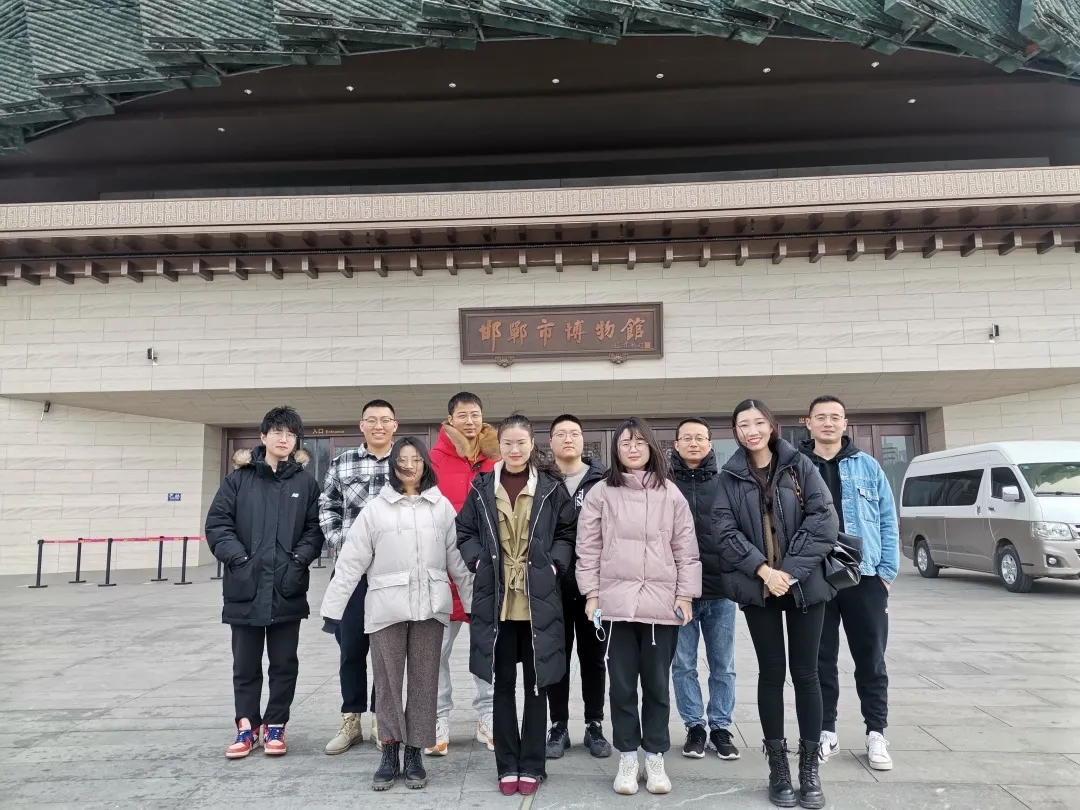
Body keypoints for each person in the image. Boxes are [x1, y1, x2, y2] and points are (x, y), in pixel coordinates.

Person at [320, 438, 474, 791]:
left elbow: (458, 563)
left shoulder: (441, 507)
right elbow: (351, 562)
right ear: (393, 466)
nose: (409, 465)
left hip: (430, 608)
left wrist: (472, 604)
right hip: (386, 609)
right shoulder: (376, 510)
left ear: (425, 464)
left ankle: (415, 752)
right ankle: (389, 751)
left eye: (416, 459)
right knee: (388, 683)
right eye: (402, 459)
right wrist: (333, 609)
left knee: (424, 682)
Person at [711, 400, 838, 810]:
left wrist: (790, 571)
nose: (751, 430)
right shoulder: (729, 476)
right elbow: (724, 531)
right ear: (736, 431)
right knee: (771, 673)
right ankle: (778, 769)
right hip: (759, 589)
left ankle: (809, 768)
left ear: (771, 425)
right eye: (743, 424)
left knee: (807, 674)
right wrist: (765, 571)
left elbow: (824, 521)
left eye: (758, 422)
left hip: (805, 586)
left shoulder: (801, 466)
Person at [576, 417, 701, 797]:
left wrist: (684, 595)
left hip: (661, 606)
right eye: (625, 443)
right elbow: (588, 548)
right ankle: (628, 757)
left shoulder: (670, 493)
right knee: (622, 687)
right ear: (616, 450)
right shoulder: (601, 492)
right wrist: (592, 595)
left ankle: (655, 756)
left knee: (658, 687)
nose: (633, 449)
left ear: (651, 448)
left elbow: (686, 548)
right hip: (616, 607)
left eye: (639, 442)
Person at [456, 414, 577, 796]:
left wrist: (554, 565)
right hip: (497, 603)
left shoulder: (551, 488)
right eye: (507, 443)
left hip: (538, 601)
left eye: (521, 443)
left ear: (531, 444)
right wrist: (478, 561)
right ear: (500, 446)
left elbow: (567, 531)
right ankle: (507, 765)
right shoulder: (481, 487)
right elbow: (465, 531)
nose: (514, 449)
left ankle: (533, 765)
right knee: (502, 686)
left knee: (537, 687)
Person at [206, 406, 324, 759]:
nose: (283, 439)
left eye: (290, 434)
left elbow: (315, 528)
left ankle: (276, 724)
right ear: (263, 436)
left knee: (284, 662)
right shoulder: (238, 480)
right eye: (277, 432)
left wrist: (298, 560)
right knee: (245, 664)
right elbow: (218, 524)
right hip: (245, 588)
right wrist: (240, 560)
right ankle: (246, 726)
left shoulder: (305, 483)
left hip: (287, 587)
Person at [800, 395, 898, 771]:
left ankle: (876, 733)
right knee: (820, 659)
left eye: (835, 417)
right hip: (815, 577)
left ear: (845, 423)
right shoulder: (796, 467)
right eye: (821, 417)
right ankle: (827, 731)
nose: (828, 423)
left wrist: (886, 573)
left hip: (865, 576)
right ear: (808, 422)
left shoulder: (868, 466)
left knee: (870, 658)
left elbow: (887, 519)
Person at [319, 399, 397, 754]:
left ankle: (383, 719)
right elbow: (328, 506)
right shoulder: (343, 461)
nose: (379, 425)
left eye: (385, 420)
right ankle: (350, 719)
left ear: (395, 425)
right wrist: (342, 542)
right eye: (372, 420)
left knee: (386, 649)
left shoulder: (406, 461)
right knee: (350, 648)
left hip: (391, 572)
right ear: (361, 425)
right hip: (351, 573)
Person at [426, 392, 499, 754]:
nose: (470, 421)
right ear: (450, 419)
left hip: (486, 568)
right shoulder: (433, 460)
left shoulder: (496, 459)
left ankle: (489, 715)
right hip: (441, 568)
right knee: (435, 650)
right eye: (463, 415)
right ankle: (438, 717)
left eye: (475, 414)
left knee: (487, 647)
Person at [669, 418, 739, 761]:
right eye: (687, 438)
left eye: (700, 438)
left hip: (720, 588)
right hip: (678, 592)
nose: (693, 443)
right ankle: (694, 726)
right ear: (676, 445)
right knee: (683, 664)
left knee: (722, 663)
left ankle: (721, 727)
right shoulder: (664, 484)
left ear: (710, 444)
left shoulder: (726, 483)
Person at [544, 414, 611, 760]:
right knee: (556, 658)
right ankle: (558, 726)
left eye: (574, 433)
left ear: (583, 440)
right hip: (551, 587)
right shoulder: (541, 481)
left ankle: (594, 724)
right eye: (561, 434)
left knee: (593, 658)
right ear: (550, 442)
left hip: (594, 589)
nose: (568, 439)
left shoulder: (603, 480)